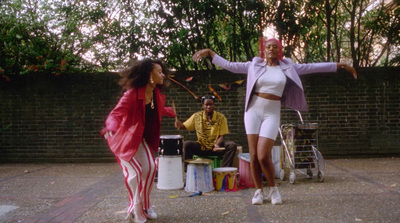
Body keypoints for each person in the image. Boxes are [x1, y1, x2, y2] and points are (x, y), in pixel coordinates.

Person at [192, 37, 357, 205]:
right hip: (253, 111)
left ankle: (273, 189)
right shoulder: (254, 65)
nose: (271, 49)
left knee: (264, 155)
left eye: (274, 47)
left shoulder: (288, 67)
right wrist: (211, 53)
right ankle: (258, 191)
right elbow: (230, 66)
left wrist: (340, 65)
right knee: (254, 155)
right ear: (264, 51)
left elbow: (312, 67)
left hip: (272, 112)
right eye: (268, 47)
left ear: (279, 51)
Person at [101, 58, 176, 223]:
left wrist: (173, 114)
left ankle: (146, 205)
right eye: (159, 72)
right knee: (134, 172)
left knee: (150, 167)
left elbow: (158, 109)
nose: (163, 75)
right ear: (150, 74)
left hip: (139, 138)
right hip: (122, 139)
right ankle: (134, 206)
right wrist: (110, 128)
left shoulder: (155, 93)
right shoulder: (132, 94)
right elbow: (115, 114)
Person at [175, 95, 237, 167]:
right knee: (186, 144)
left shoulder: (221, 117)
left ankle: (223, 170)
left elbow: (221, 135)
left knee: (232, 145)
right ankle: (188, 171)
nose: (209, 107)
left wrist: (217, 144)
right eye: (206, 105)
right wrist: (179, 125)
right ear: (203, 106)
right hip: (201, 147)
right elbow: (184, 126)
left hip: (215, 148)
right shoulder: (196, 116)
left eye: (211, 104)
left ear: (214, 106)